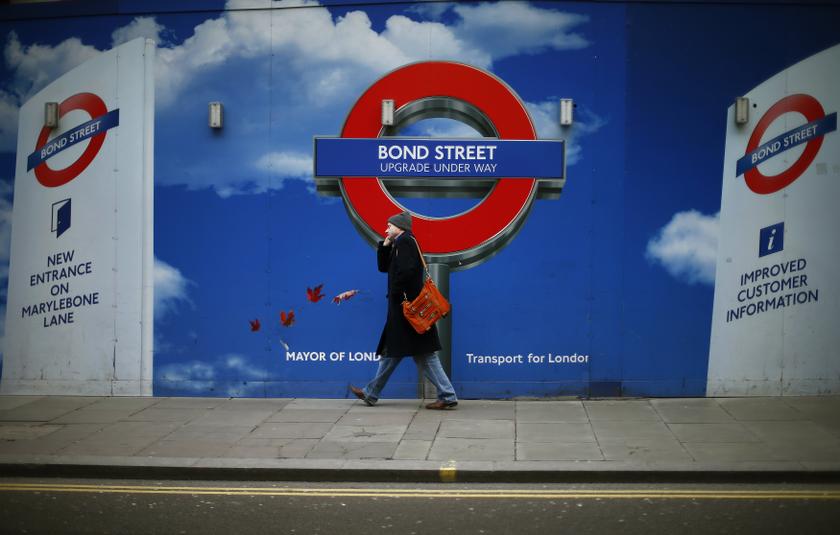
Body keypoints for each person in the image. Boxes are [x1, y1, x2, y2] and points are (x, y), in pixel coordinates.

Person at [350, 211, 458, 410]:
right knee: (406, 352)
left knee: (414, 353)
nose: (386, 229)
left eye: (389, 226)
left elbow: (406, 271)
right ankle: (371, 392)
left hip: (407, 310)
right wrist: (385, 245)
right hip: (405, 309)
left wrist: (396, 293)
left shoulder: (406, 241)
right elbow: (384, 268)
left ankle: (372, 393)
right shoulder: (399, 242)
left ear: (399, 226)